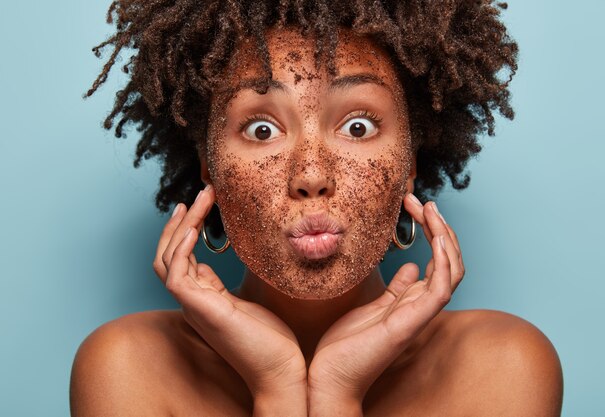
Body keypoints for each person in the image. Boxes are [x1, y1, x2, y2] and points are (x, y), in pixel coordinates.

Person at [70, 1, 564, 415]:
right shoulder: (125, 369)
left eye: (357, 126)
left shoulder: (502, 367)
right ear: (210, 167)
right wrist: (278, 387)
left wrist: (337, 393)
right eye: (262, 129)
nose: (310, 175)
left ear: (410, 163)